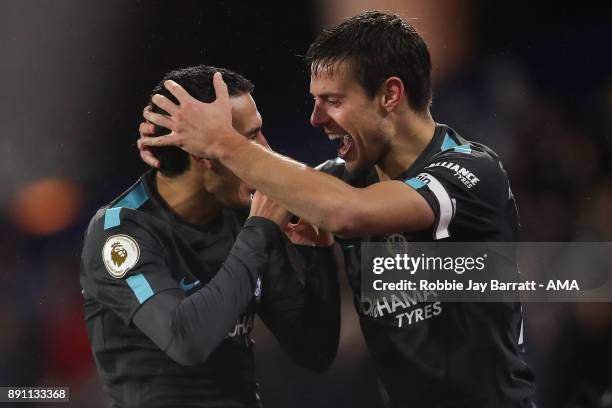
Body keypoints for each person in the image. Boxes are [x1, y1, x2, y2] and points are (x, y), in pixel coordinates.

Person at [138, 11, 536, 408]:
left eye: (332, 101)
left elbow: (350, 212)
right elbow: (265, 183)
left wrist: (223, 142)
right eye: (315, 102)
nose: (316, 119)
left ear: (389, 95)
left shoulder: (470, 173)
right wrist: (167, 144)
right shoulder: (339, 182)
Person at [80, 65, 340, 408]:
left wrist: (316, 253)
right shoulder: (120, 233)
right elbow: (185, 340)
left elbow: (314, 351)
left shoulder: (244, 218)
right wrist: (259, 234)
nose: (265, 150)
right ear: (202, 151)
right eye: (247, 138)